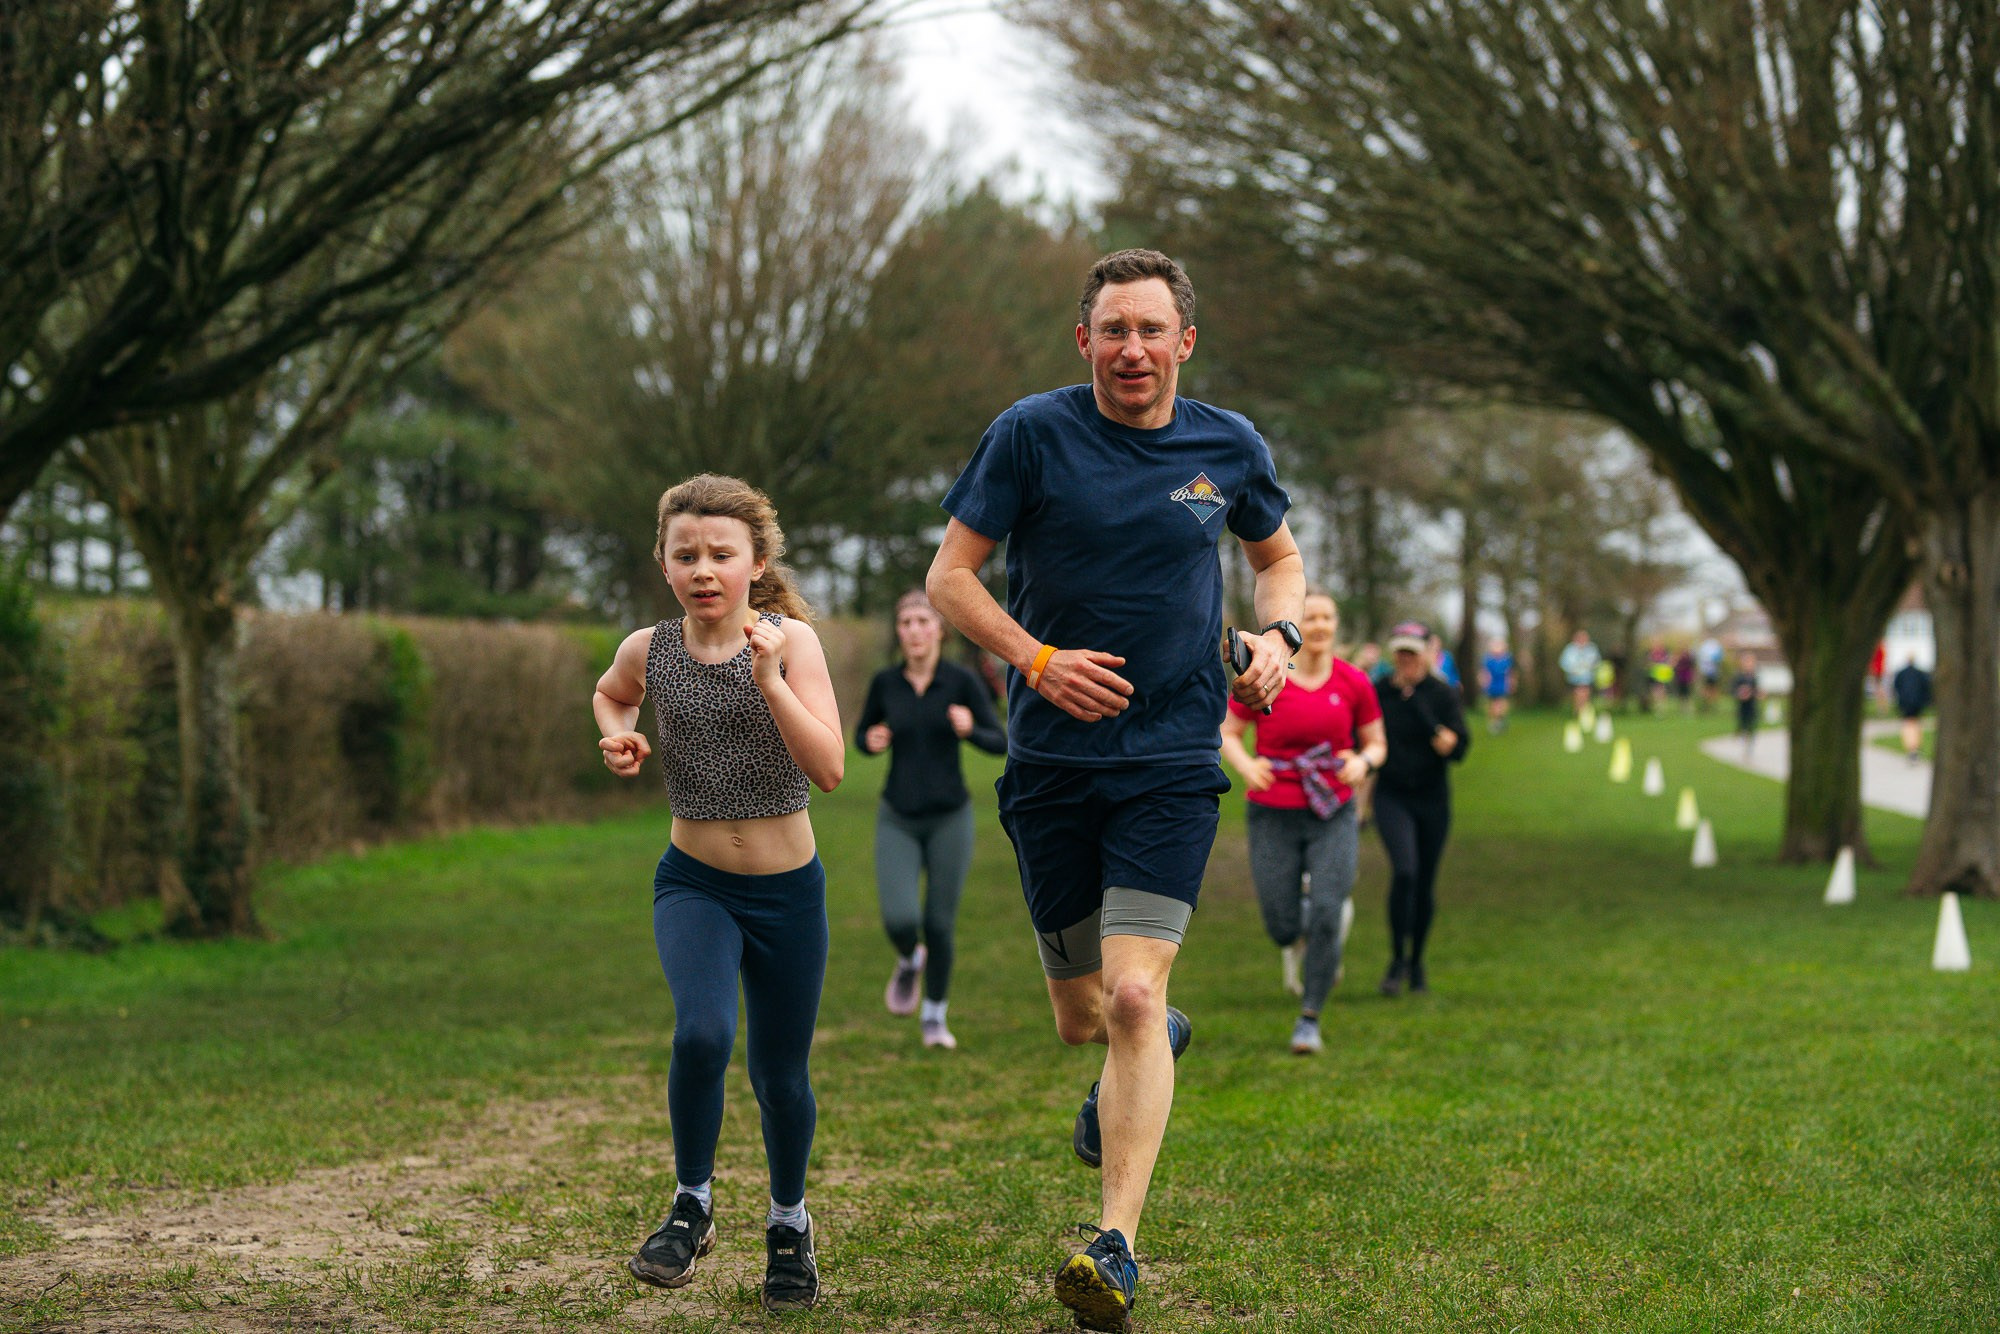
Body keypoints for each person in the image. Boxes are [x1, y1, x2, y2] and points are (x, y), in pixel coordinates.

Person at [927, 247, 1301, 1332]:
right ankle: (1149, 1039)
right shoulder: (1030, 434)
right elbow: (949, 577)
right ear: (1080, 340)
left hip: (1171, 761)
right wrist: (1037, 660)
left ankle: (1115, 1246)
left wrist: (1274, 635)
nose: (1130, 349)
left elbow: (1277, 560)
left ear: (1184, 341)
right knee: (1081, 1015)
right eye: (1111, 330)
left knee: (1131, 995)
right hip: (1047, 766)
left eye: (1150, 329)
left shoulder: (1225, 446)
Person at [592, 474, 845, 1313]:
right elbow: (612, 692)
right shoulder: (649, 648)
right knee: (701, 1034)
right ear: (663, 563)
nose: (704, 569)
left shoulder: (793, 645)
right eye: (685, 553)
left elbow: (831, 770)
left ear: (756, 562)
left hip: (787, 896)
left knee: (780, 1077)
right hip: (693, 884)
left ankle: (788, 1225)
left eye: (721, 554)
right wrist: (619, 738)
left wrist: (770, 677)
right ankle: (691, 1206)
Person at [1219, 591, 1386, 1055]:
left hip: (1333, 808)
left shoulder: (1354, 682)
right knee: (1281, 923)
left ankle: (1309, 1016)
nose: (1317, 626)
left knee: (1330, 912)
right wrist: (1248, 765)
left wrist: (1364, 763)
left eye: (1326, 618)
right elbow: (1228, 732)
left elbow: (1376, 743)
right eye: (1309, 617)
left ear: (1335, 626)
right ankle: (1302, 928)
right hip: (1273, 809)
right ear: (1295, 626)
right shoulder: (1271, 677)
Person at [855, 589, 1008, 1049]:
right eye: (906, 623)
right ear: (899, 634)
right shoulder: (886, 684)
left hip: (949, 817)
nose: (915, 631)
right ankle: (908, 959)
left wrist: (969, 729)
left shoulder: (961, 682)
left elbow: (999, 741)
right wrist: (871, 739)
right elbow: (862, 734)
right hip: (897, 815)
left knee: (939, 924)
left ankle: (934, 1018)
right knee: (901, 918)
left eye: (924, 621)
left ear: (939, 629)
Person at [1372, 621, 1470, 998]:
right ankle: (1397, 959)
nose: (1406, 659)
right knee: (1406, 872)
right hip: (1392, 795)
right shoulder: (1378, 692)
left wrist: (1426, 715)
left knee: (1425, 882)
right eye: (1400, 651)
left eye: (1413, 651)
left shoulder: (1443, 694)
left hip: (1432, 799)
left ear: (1429, 652)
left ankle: (1417, 962)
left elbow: (1458, 749)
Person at [1892, 656, 1932, 763]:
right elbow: (1926, 688)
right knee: (1915, 724)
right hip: (1917, 703)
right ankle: (1914, 747)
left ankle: (1911, 748)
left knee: (1908, 724)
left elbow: (1896, 688)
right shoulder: (1920, 673)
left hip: (1905, 703)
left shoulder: (1901, 673)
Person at [1558, 629, 1600, 716]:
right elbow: (1563, 663)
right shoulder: (1569, 650)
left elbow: (1596, 661)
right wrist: (1571, 670)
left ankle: (1582, 711)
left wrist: (1592, 667)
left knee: (1585, 693)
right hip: (1574, 677)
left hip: (1587, 677)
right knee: (1579, 693)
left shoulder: (1592, 649)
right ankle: (1578, 711)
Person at [1478, 636, 1515, 734]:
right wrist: (1484, 683)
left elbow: (1510, 673)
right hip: (1492, 685)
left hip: (1502, 685)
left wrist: (1511, 683)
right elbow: (1485, 673)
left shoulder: (1507, 659)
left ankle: (1500, 721)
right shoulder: (1488, 660)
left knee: (1501, 704)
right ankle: (1494, 723)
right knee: (1493, 705)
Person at [1732, 651, 1762, 758]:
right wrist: (1740, 694)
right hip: (1742, 707)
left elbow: (1757, 691)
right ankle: (1740, 737)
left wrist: (1756, 694)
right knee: (1743, 725)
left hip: (1752, 706)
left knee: (1751, 726)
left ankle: (1748, 748)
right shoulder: (1739, 677)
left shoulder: (1754, 677)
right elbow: (1734, 691)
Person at [1697, 635, 1724, 713]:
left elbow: (1719, 657)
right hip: (1706, 671)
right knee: (1707, 689)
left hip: (1713, 672)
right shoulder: (1704, 646)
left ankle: (1712, 704)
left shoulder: (1714, 645)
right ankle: (1707, 704)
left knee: (1713, 689)